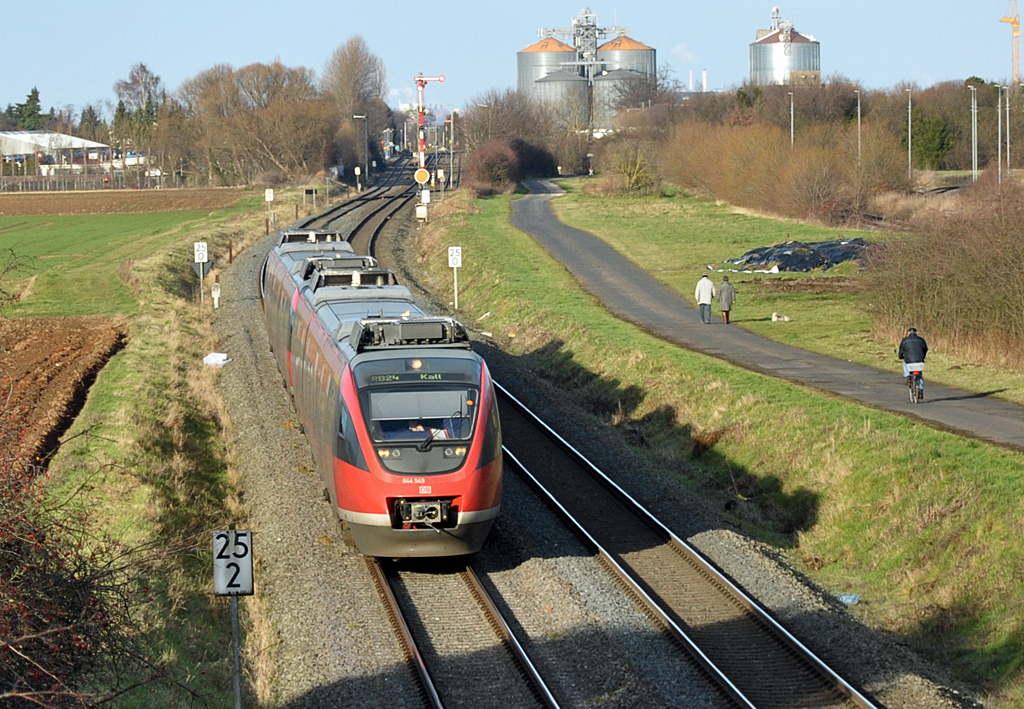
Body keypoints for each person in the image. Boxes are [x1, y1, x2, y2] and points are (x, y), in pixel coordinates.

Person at [898, 327, 928, 399]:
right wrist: (923, 356)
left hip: (909, 361)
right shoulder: (921, 340)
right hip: (920, 361)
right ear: (916, 333)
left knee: (905, 364)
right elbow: (925, 349)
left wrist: (900, 356)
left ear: (908, 333)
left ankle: (908, 376)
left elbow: (901, 351)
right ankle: (921, 391)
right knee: (919, 375)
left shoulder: (905, 340)